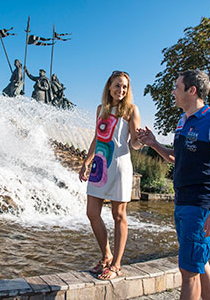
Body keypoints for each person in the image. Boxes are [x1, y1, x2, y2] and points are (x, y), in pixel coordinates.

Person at [137, 70, 210, 300]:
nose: (173, 91)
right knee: (199, 264)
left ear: (192, 91)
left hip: (200, 204)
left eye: (176, 87)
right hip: (182, 201)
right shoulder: (182, 122)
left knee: (189, 271)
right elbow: (176, 157)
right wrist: (154, 144)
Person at [79, 70, 142, 280]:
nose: (121, 90)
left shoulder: (131, 110)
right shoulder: (101, 109)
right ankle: (106, 255)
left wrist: (140, 141)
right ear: (109, 87)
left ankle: (116, 264)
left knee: (118, 216)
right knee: (92, 212)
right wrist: (86, 162)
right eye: (117, 85)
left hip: (120, 166)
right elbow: (98, 138)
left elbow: (133, 142)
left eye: (124, 87)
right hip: (100, 165)